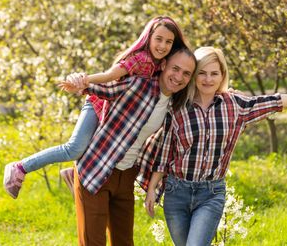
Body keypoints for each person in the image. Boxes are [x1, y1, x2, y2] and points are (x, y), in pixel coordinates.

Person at [143, 46, 287, 246]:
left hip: (210, 194)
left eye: (214, 73)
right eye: (202, 73)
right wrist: (151, 190)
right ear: (193, 75)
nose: (208, 79)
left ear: (222, 75)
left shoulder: (235, 104)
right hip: (177, 193)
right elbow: (165, 153)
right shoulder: (178, 107)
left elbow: (273, 102)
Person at [3, 16, 185, 199]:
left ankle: (73, 173)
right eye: (158, 39)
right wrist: (85, 80)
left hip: (115, 111)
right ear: (149, 38)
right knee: (74, 148)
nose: (162, 46)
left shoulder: (161, 64)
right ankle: (20, 167)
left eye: (168, 42)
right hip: (98, 104)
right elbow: (110, 75)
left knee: (93, 149)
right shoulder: (142, 59)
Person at [66, 46, 196, 246]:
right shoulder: (138, 84)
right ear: (163, 65)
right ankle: (74, 177)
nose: (179, 77)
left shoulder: (175, 106)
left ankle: (70, 177)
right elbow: (105, 87)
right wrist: (81, 80)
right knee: (93, 242)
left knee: (124, 242)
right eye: (175, 69)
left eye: (186, 73)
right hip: (96, 167)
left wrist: (224, 92)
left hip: (126, 175)